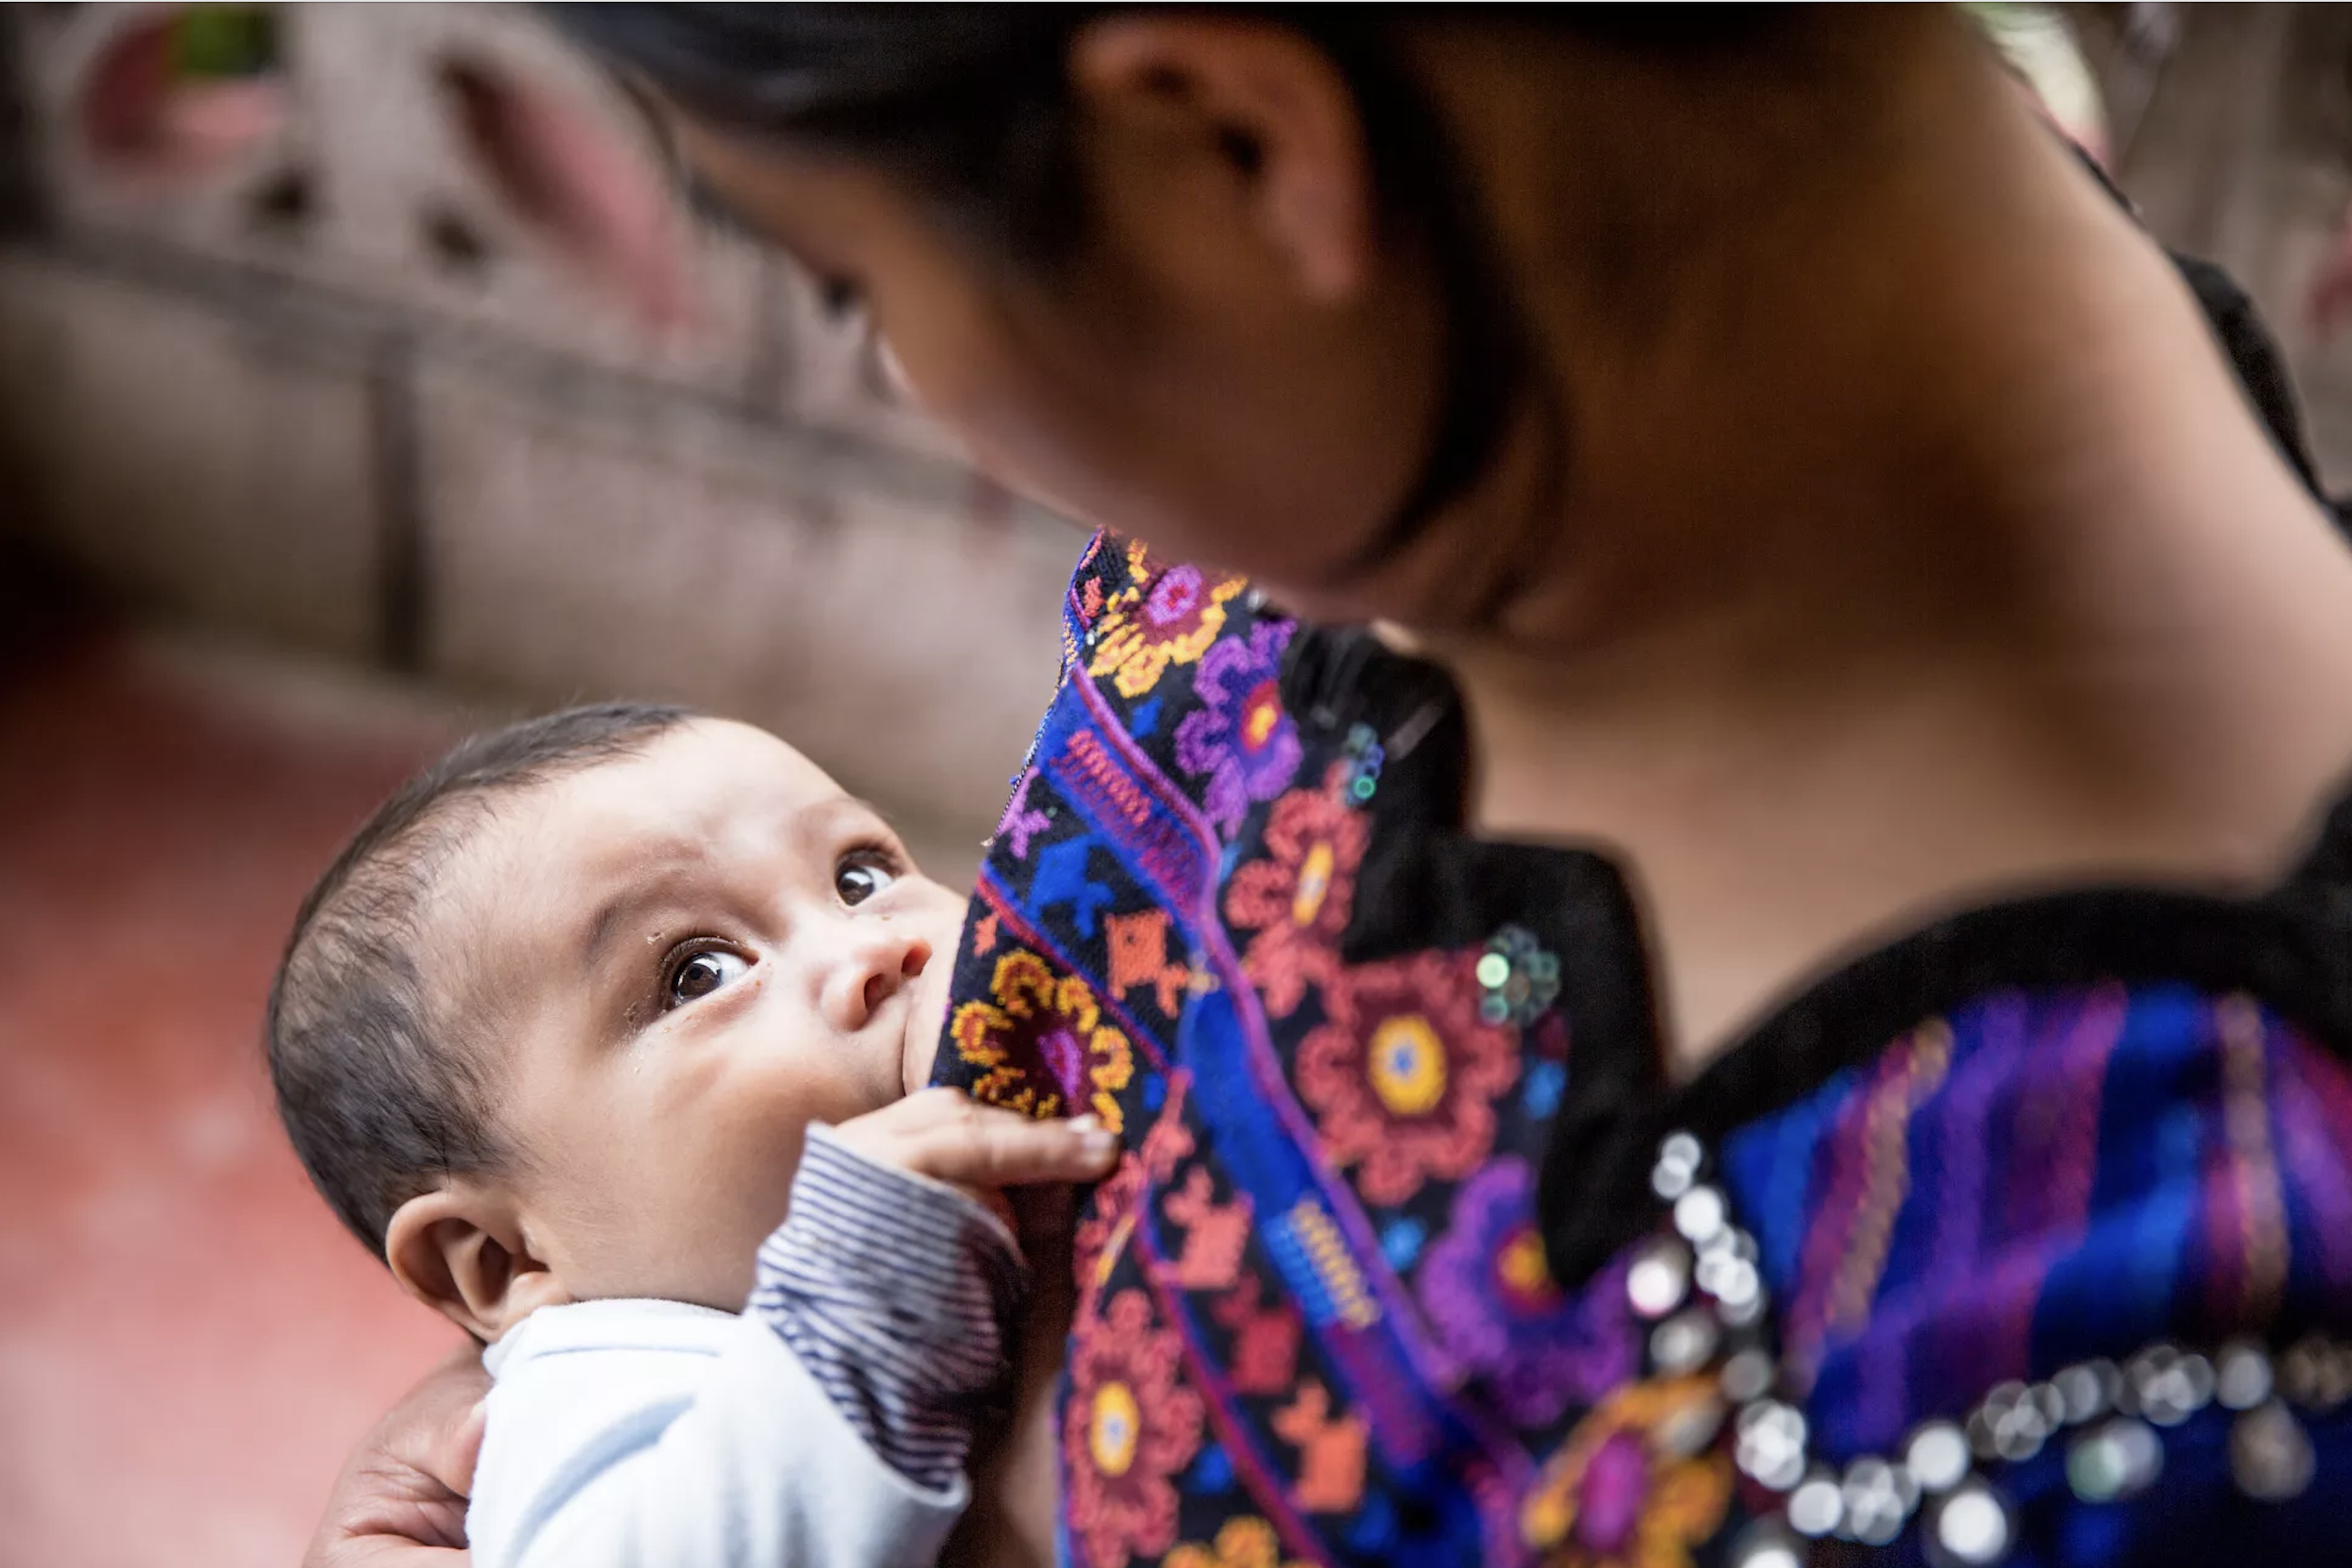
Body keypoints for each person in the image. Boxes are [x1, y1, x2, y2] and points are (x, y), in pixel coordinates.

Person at [311, 7, 2352, 1566]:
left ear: (1233, 141)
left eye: (852, 284)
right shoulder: (1390, 466)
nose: (910, 380)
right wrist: (639, 1353)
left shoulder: (2159, 1365)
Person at [268, 703, 1118, 1568]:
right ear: (505, 1257)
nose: (872, 949)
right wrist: (848, 1305)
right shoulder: (598, 1391)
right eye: (700, 973)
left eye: (858, 876)